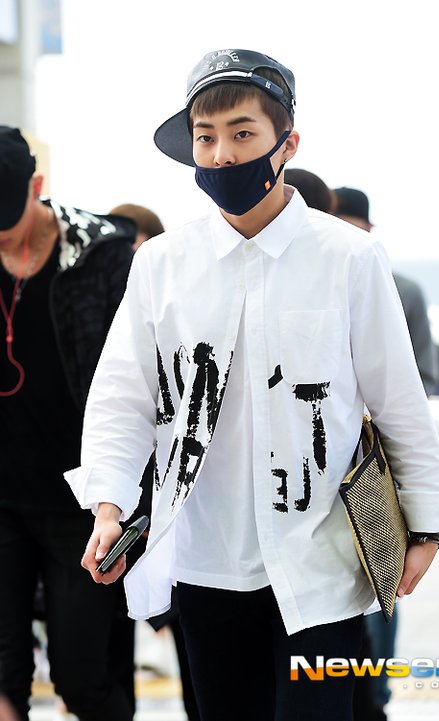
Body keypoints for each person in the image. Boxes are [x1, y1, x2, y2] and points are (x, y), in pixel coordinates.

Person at [65, 49, 439, 721]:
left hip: (324, 565)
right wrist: (109, 505)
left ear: (288, 144)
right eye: (205, 137)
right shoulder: (162, 264)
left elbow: (397, 399)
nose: (221, 154)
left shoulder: (349, 257)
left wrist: (425, 528)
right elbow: (123, 397)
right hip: (206, 561)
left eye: (242, 133)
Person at [0, 126, 136, 721]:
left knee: (82, 677)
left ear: (36, 186)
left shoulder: (99, 253)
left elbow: (137, 378)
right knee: (3, 676)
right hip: (2, 497)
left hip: (80, 500)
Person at [333, 185, 439, 721]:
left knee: (382, 587)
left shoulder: (404, 290)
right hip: (325, 468)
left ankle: (375, 699)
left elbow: (420, 383)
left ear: (370, 230)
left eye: (355, 226)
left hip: (377, 468)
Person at [107, 202, 200, 721]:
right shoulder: (118, 305)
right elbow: (119, 407)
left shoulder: (176, 296)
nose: (127, 254)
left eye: (134, 241)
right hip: (139, 503)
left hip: (174, 499)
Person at [334, 186, 439, 396]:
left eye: (352, 231)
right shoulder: (311, 290)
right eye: (335, 230)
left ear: (369, 229)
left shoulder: (406, 292)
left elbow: (424, 374)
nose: (345, 241)